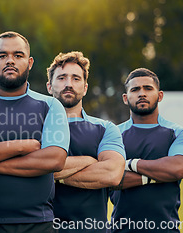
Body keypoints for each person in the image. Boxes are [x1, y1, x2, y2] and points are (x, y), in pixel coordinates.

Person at [0, 31, 70, 233]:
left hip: (38, 224)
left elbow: (54, 160)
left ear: (30, 62)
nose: (10, 61)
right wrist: (23, 146)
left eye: (18, 55)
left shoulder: (50, 105)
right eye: (2, 55)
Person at [45, 51, 125, 233]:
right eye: (62, 78)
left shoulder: (105, 128)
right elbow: (27, 168)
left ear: (85, 87)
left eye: (75, 78)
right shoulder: (36, 128)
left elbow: (112, 174)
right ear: (49, 86)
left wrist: (50, 172)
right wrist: (90, 161)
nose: (68, 84)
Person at [109, 68, 183, 233]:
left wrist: (130, 164)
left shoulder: (179, 132)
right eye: (135, 89)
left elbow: (177, 168)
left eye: (148, 88)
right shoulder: (113, 134)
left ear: (160, 96)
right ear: (125, 98)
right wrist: (159, 175)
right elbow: (110, 179)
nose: (141, 93)